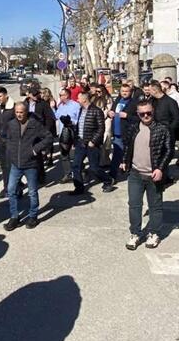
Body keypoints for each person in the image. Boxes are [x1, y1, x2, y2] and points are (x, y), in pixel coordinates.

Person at [119, 100, 173, 250]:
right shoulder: (133, 127)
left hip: (153, 175)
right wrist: (124, 161)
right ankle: (135, 233)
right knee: (134, 205)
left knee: (155, 206)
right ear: (138, 114)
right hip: (135, 173)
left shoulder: (162, 129)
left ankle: (153, 233)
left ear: (153, 111)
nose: (146, 116)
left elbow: (169, 150)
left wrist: (160, 168)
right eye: (142, 114)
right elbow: (128, 146)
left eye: (149, 113)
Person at [2, 101, 54, 231]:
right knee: (11, 190)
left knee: (32, 192)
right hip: (15, 164)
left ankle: (33, 216)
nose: (19, 115)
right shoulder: (12, 124)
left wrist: (35, 150)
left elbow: (48, 137)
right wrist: (11, 152)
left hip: (31, 164)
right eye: (17, 112)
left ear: (26, 112)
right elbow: (7, 138)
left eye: (21, 112)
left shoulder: (34, 124)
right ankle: (14, 216)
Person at [70, 91, 112, 194]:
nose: (77, 100)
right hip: (80, 143)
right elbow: (79, 127)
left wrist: (93, 141)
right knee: (76, 166)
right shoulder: (80, 110)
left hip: (91, 144)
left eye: (78, 98)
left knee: (94, 168)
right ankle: (79, 188)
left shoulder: (96, 111)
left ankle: (108, 180)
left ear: (84, 99)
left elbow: (101, 128)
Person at [106, 82, 138, 182]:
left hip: (128, 133)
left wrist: (127, 116)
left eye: (126, 91)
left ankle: (131, 174)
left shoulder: (134, 103)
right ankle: (112, 176)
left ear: (130, 92)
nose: (124, 93)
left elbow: (139, 118)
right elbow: (112, 111)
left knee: (130, 154)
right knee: (116, 155)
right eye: (122, 91)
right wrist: (109, 113)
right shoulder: (118, 100)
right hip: (116, 132)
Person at [54, 86, 81, 181]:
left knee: (75, 156)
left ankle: (80, 172)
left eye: (61, 95)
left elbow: (79, 119)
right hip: (63, 134)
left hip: (73, 133)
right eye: (60, 95)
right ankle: (67, 174)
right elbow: (56, 116)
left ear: (67, 95)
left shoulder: (76, 105)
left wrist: (71, 122)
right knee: (64, 155)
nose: (60, 97)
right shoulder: (61, 106)